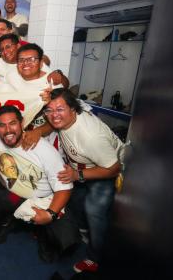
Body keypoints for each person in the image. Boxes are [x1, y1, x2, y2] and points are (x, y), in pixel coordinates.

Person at [0, 105, 77, 261]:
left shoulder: (43, 148)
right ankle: (11, 221)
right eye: (2, 125)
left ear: (21, 124)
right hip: (12, 195)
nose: (8, 130)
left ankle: (39, 228)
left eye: (12, 123)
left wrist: (50, 215)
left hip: (43, 200)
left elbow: (64, 187)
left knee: (66, 241)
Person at [44, 88, 124, 273]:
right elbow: (51, 117)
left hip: (105, 169)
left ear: (73, 109)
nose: (54, 115)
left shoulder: (90, 137)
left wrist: (77, 175)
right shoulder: (63, 120)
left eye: (60, 109)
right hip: (83, 166)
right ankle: (84, 231)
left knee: (94, 210)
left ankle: (95, 258)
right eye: (49, 110)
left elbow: (114, 168)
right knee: (74, 199)